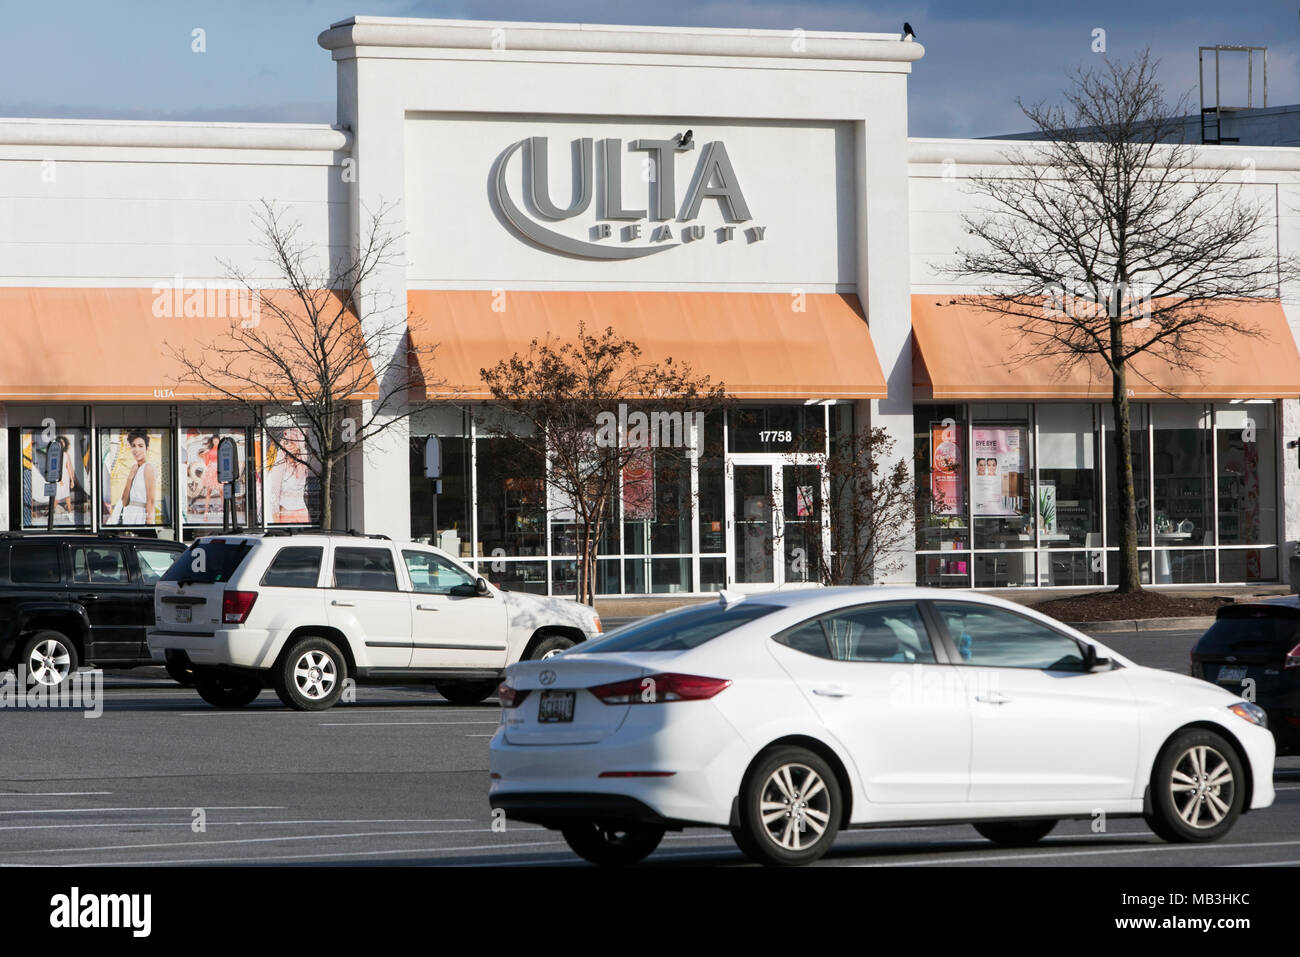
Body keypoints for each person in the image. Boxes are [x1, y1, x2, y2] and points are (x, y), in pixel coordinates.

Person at [267, 428, 311, 524]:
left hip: (302, 512)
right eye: (286, 442)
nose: (290, 445)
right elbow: (274, 492)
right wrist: (276, 519)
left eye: (293, 442)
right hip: (286, 512)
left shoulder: (303, 461)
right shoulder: (280, 462)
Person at [120, 431, 156, 525]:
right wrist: (130, 478)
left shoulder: (148, 468)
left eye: (140, 446)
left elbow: (151, 500)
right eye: (133, 446)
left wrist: (149, 523)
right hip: (129, 515)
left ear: (146, 448)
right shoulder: (134, 468)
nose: (136, 449)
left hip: (141, 516)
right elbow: (124, 501)